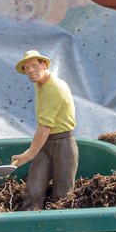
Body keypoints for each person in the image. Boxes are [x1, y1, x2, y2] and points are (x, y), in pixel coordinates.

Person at [11, 50, 78, 210]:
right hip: (45, 143)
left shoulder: (54, 88)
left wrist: (29, 154)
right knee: (34, 188)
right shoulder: (39, 84)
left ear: (44, 64)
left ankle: (60, 228)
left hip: (63, 143)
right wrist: (33, 152)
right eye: (26, 68)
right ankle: (29, 223)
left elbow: (44, 127)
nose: (30, 71)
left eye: (34, 65)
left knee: (63, 193)